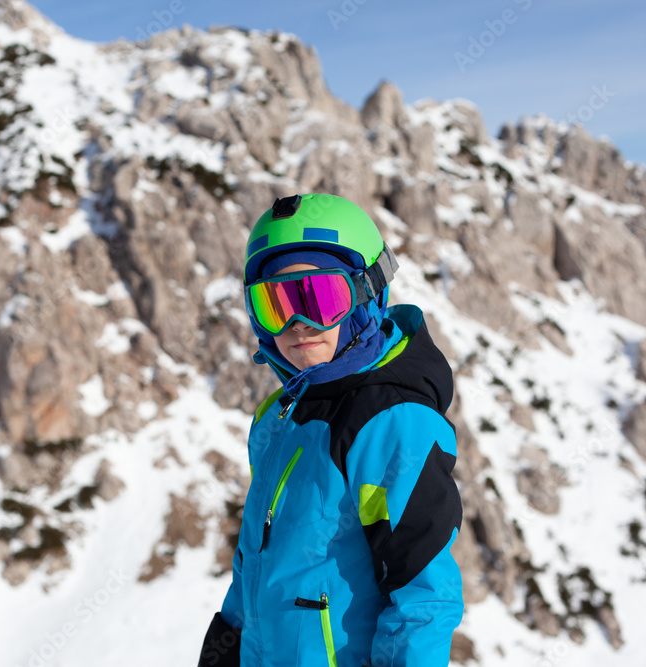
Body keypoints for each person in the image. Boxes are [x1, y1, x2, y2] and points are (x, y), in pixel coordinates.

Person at [198, 193, 464, 666]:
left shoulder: (390, 422)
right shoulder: (278, 417)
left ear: (366, 294)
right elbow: (255, 562)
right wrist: (228, 640)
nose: (299, 324)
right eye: (276, 305)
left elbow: (422, 597)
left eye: (321, 299)